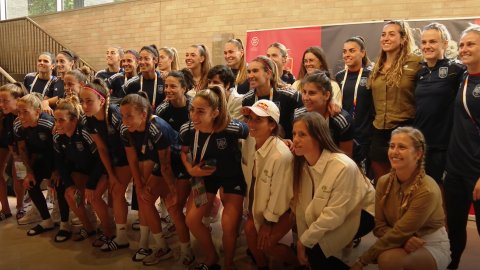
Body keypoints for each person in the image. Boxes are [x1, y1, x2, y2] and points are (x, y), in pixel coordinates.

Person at [354, 127, 450, 270]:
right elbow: (379, 227)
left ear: (418, 154)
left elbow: (400, 232)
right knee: (387, 256)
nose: (395, 152)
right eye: (392, 146)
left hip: (428, 243)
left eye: (402, 147)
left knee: (387, 259)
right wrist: (404, 240)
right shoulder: (383, 182)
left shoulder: (427, 190)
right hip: (401, 239)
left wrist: (362, 261)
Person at [291, 112, 375, 270]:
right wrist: (302, 242)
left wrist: (305, 241)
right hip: (339, 210)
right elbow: (302, 210)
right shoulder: (301, 166)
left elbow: (335, 214)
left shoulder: (342, 166)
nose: (295, 140)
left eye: (302, 135)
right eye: (294, 133)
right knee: (310, 248)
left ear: (319, 137)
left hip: (362, 213)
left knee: (316, 249)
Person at [179, 85, 248, 270]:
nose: (194, 116)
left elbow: (259, 131)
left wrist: (282, 139)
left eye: (201, 112)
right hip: (204, 176)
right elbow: (184, 152)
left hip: (232, 178)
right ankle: (212, 257)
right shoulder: (188, 129)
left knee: (229, 224)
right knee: (191, 220)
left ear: (215, 113)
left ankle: (229, 263)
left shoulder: (232, 127)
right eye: (192, 109)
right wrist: (190, 169)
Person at [241, 100, 305, 270]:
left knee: (267, 243)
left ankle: (301, 265)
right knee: (249, 231)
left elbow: (280, 195)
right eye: (250, 118)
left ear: (271, 125)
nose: (251, 123)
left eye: (258, 120)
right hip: (263, 202)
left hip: (287, 206)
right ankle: (262, 266)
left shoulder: (280, 156)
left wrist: (267, 224)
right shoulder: (249, 140)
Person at [119, 93, 180, 266]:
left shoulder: (156, 127)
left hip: (177, 163)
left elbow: (166, 164)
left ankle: (178, 249)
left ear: (143, 114)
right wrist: (138, 184)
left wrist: (172, 192)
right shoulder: (125, 129)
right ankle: (157, 246)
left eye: (129, 115)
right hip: (157, 162)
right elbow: (132, 159)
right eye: (122, 116)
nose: (125, 120)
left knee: (165, 202)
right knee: (143, 197)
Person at [367, 20, 423, 182]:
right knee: (383, 183)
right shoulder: (376, 66)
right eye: (383, 35)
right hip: (379, 131)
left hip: (404, 130)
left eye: (392, 34)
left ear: (403, 38)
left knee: (405, 183)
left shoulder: (416, 62)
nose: (386, 38)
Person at [443, 24, 480, 270]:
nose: (464, 49)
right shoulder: (463, 76)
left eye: (471, 44)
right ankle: (452, 265)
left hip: (477, 172)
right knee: (454, 225)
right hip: (454, 167)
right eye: (463, 44)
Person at [414, 23, 466, 194]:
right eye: (424, 42)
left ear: (445, 44)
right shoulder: (420, 73)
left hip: (443, 147)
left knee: (442, 197)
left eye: (433, 42)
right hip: (421, 145)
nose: (427, 46)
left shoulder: (456, 70)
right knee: (422, 194)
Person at [80, 79, 131, 251]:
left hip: (130, 156)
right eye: (82, 101)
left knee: (116, 192)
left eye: (89, 101)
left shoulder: (116, 115)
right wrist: (110, 174)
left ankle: (122, 236)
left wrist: (117, 177)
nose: (84, 106)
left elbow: (130, 147)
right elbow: (102, 149)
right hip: (113, 158)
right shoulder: (88, 119)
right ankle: (108, 231)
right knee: (93, 195)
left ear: (101, 101)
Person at [156, 69, 197, 269]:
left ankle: (187, 253)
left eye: (173, 86)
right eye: (166, 86)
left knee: (174, 205)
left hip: (190, 162)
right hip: (170, 160)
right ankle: (161, 245)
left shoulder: (194, 108)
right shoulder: (162, 110)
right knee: (147, 194)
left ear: (184, 88)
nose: (169, 90)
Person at [52, 95, 105, 242]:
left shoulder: (85, 132)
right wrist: (69, 185)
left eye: (61, 120)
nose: (57, 124)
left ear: (74, 121)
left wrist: (91, 184)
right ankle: (88, 228)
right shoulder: (58, 136)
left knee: (93, 196)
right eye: (56, 120)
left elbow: (101, 158)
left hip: (103, 168)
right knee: (69, 194)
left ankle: (108, 231)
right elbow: (59, 161)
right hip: (82, 169)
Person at [15, 93, 55, 235]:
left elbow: (58, 149)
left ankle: (64, 222)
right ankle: (46, 219)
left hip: (56, 155)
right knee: (30, 184)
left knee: (61, 185)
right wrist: (29, 172)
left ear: (37, 111)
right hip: (39, 156)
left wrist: (56, 171)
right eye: (19, 112)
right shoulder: (18, 125)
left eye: (25, 112)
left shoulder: (48, 123)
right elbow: (22, 148)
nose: (21, 116)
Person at [335, 37, 375, 169]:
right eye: (345, 51)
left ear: (362, 53)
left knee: (362, 175)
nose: (347, 54)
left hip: (364, 134)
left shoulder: (372, 74)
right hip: (345, 133)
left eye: (352, 51)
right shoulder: (339, 76)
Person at [242, 56, 303, 140]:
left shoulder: (289, 95)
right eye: (249, 72)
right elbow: (249, 127)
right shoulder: (247, 99)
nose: (250, 75)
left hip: (286, 148)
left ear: (268, 73)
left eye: (255, 71)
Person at [295, 71, 354, 157]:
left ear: (326, 96)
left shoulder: (341, 120)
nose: (305, 98)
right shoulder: (299, 115)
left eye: (312, 93)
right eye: (304, 92)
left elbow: (347, 158)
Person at [0, 82, 28, 221]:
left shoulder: (24, 115)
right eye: (0, 100)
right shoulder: (4, 115)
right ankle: (5, 209)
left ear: (18, 101)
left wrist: (16, 155)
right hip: (6, 140)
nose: (1, 104)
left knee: (18, 173)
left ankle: (20, 207)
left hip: (21, 145)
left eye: (5, 101)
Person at [124, 45, 165, 109]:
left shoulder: (164, 80)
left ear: (156, 60)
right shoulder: (131, 83)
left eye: (146, 59)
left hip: (161, 118)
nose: (142, 62)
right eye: (140, 59)